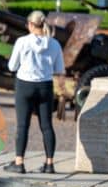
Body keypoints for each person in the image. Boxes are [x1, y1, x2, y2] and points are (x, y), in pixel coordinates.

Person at [5, 10, 65, 174]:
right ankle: (49, 164)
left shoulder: (22, 42)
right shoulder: (54, 44)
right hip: (45, 86)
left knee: (22, 126)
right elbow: (59, 68)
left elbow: (12, 67)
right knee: (46, 126)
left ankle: (19, 163)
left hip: (25, 85)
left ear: (31, 25)